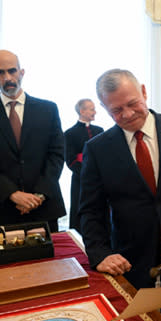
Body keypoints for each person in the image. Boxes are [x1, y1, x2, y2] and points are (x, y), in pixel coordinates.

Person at [78, 69, 161, 321]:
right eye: (116, 109)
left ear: (144, 92)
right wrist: (100, 254)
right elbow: (91, 209)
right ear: (103, 107)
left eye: (132, 103)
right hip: (130, 254)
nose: (126, 114)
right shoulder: (98, 148)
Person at [0, 49, 66, 231]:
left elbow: (56, 155)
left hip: (44, 208)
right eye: (0, 72)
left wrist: (38, 196)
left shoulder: (48, 109)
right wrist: (12, 194)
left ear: (22, 72)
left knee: (48, 260)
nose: (8, 77)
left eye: (12, 70)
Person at [64, 98, 103, 232]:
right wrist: (86, 174)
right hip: (80, 179)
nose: (95, 112)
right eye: (92, 109)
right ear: (82, 111)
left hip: (100, 178)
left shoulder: (99, 130)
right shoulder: (69, 133)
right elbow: (70, 160)